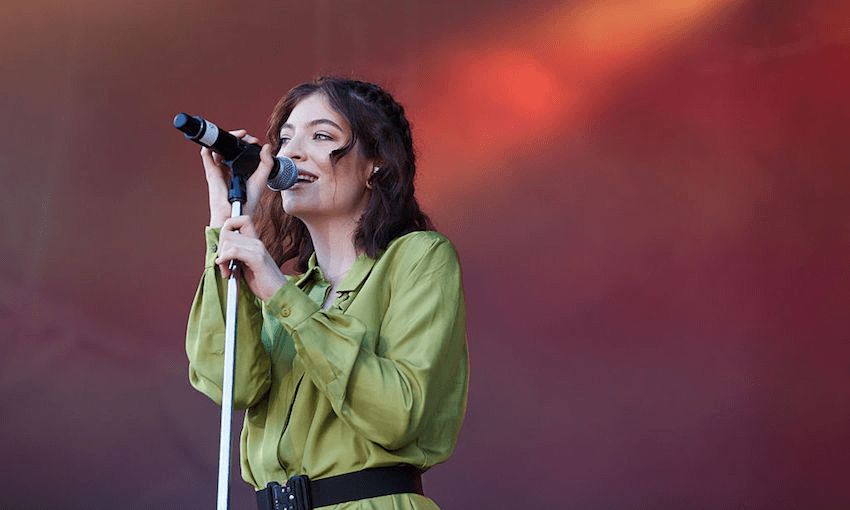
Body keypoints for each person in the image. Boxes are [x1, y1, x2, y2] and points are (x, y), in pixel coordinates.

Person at [185, 77, 469, 510]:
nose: (291, 153)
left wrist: (282, 297)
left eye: (321, 136)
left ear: (376, 164)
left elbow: (399, 415)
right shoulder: (292, 291)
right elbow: (231, 385)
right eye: (284, 139)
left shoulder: (419, 257)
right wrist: (223, 222)